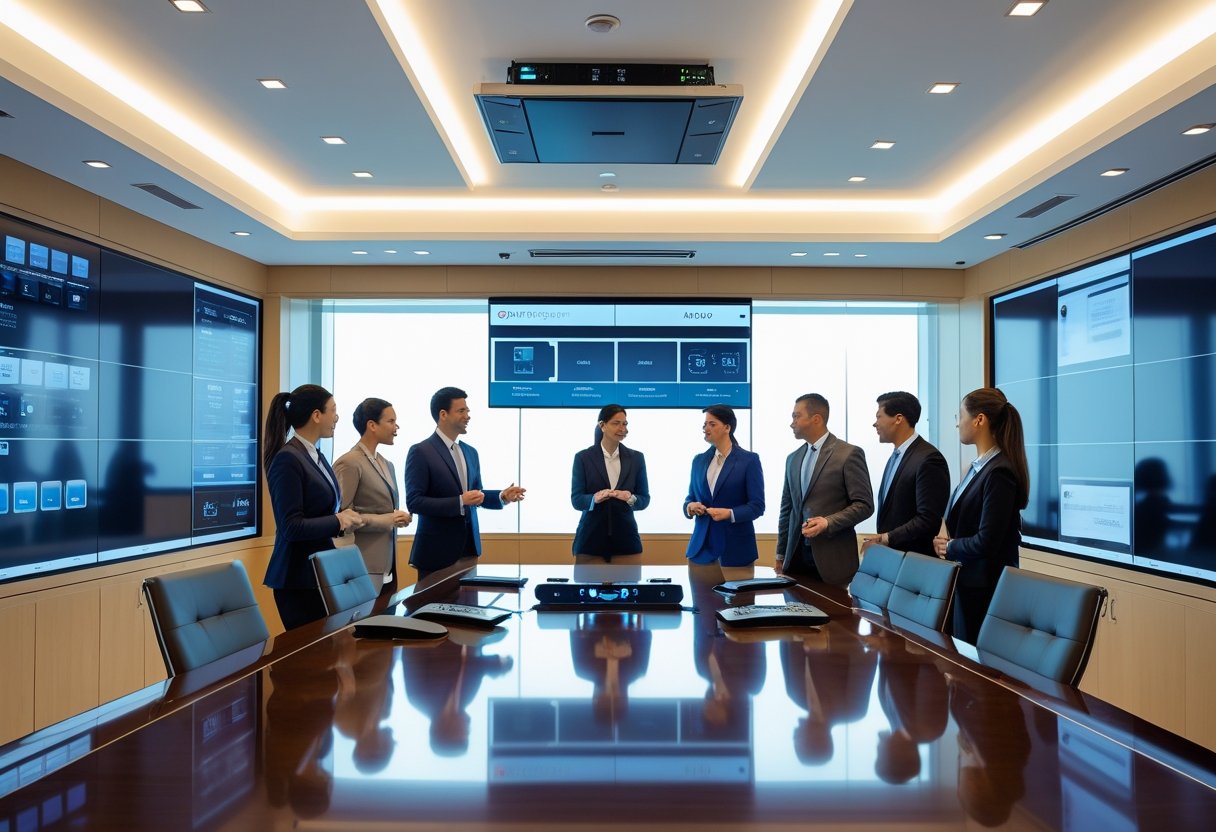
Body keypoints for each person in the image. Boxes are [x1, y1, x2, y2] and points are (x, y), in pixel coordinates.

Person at [263, 384, 364, 630]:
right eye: (333, 411)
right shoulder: (288, 458)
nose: (337, 418)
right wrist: (338, 521)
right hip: (297, 579)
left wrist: (341, 521)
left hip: (320, 572)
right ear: (316, 415)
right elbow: (291, 526)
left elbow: (319, 513)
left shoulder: (315, 455)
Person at [933, 387, 1029, 644]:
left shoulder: (999, 472)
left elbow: (987, 540)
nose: (957, 424)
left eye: (960, 415)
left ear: (979, 420)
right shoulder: (978, 468)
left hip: (984, 587)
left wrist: (950, 546)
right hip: (967, 582)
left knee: (978, 668)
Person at [404, 387, 526, 580]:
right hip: (436, 553)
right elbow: (414, 502)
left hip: (469, 550)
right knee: (435, 609)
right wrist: (460, 501)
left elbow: (476, 495)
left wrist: (502, 496)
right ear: (443, 414)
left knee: (469, 607)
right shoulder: (420, 451)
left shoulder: (470, 452)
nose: (468, 416)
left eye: (467, 411)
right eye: (461, 411)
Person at [777, 393, 874, 585]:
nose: (792, 423)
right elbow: (786, 510)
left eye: (796, 416)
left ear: (816, 419)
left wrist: (828, 522)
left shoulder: (849, 454)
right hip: (795, 561)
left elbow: (864, 505)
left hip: (833, 561)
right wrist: (780, 554)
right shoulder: (792, 458)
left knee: (835, 615)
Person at [333, 397, 412, 593]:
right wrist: (388, 519)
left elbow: (386, 511)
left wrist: (399, 518)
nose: (397, 427)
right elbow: (342, 516)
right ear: (372, 425)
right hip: (361, 565)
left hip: (387, 565)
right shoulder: (349, 462)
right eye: (391, 421)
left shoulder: (387, 464)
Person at [683, 404, 765, 581]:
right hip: (700, 550)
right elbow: (690, 497)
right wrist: (690, 506)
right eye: (704, 425)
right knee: (700, 607)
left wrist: (729, 513)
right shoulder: (699, 461)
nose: (706, 429)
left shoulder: (749, 460)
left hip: (735, 551)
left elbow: (757, 506)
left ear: (727, 427)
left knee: (738, 607)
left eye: (712, 424)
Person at [863, 391, 950, 558]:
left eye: (879, 417)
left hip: (913, 560)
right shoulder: (895, 456)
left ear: (898, 419)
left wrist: (886, 538)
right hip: (892, 556)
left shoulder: (929, 459)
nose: (875, 424)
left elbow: (928, 519)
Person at [570, 404, 650, 563]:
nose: (622, 428)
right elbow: (576, 500)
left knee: (629, 587)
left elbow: (644, 500)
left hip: (626, 543)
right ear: (602, 426)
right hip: (590, 542)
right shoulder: (583, 458)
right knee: (588, 587)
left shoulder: (636, 458)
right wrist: (594, 499)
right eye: (616, 423)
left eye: (625, 423)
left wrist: (630, 498)